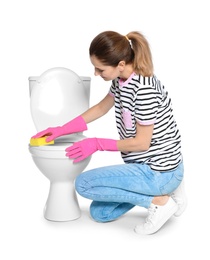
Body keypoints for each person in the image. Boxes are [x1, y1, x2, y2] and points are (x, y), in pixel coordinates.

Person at [32, 30, 187, 235]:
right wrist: (61, 129)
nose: (96, 74)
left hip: (157, 170)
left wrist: (97, 144)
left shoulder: (144, 90)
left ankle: (159, 200)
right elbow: (101, 108)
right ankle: (167, 190)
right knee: (100, 213)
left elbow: (142, 143)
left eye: (100, 69)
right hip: (144, 166)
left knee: (84, 184)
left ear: (120, 64)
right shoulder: (121, 80)